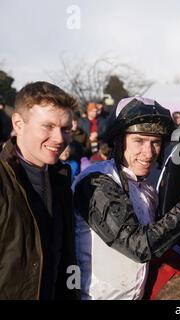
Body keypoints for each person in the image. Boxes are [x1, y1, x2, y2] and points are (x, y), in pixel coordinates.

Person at [72, 96, 180, 299]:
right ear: (119, 141)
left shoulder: (146, 190)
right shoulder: (96, 182)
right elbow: (139, 246)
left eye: (155, 142)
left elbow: (157, 245)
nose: (148, 152)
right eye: (139, 141)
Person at [0, 81, 79, 299]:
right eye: (48, 126)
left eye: (65, 129)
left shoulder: (60, 180)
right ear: (18, 123)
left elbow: (65, 259)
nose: (59, 139)